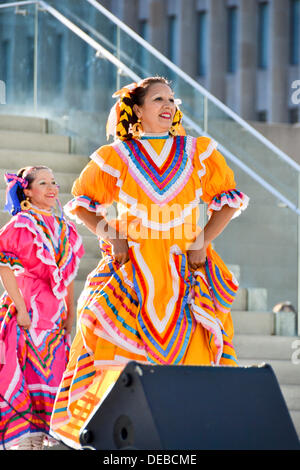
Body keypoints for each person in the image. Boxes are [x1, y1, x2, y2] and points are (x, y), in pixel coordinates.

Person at [50, 77, 249, 449]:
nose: (169, 105)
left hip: (185, 269)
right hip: (133, 271)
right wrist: (114, 236)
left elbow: (228, 202)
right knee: (113, 350)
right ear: (136, 109)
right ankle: (113, 438)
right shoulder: (116, 156)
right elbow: (83, 202)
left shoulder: (198, 151)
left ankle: (188, 439)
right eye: (158, 98)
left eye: (172, 99)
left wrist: (202, 240)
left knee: (196, 358)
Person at [0, 166, 84, 450]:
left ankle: (47, 435)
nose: (51, 188)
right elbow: (5, 267)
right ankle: (27, 440)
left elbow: (68, 275)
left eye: (54, 182)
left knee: (56, 372)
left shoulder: (66, 229)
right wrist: (20, 308)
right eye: (43, 183)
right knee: (26, 370)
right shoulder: (21, 225)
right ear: (27, 190)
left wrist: (71, 312)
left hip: (55, 311)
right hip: (29, 307)